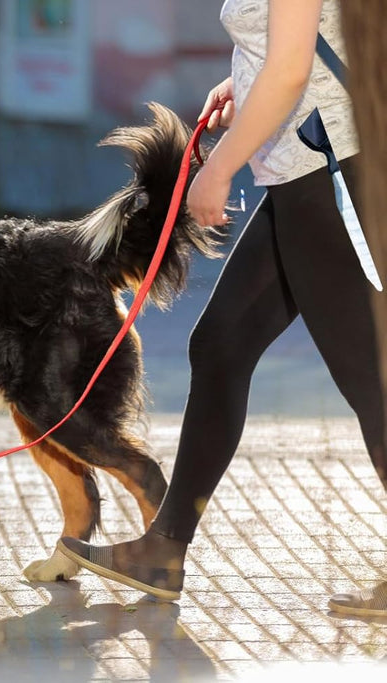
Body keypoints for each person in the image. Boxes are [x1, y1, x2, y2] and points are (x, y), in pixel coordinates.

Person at [58, 0, 387, 617]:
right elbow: (292, 47)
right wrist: (240, 79)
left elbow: (292, 69)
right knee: (220, 346)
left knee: (371, 380)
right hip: (302, 172)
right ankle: (165, 549)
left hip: (327, 173)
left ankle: (166, 545)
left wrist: (222, 169)